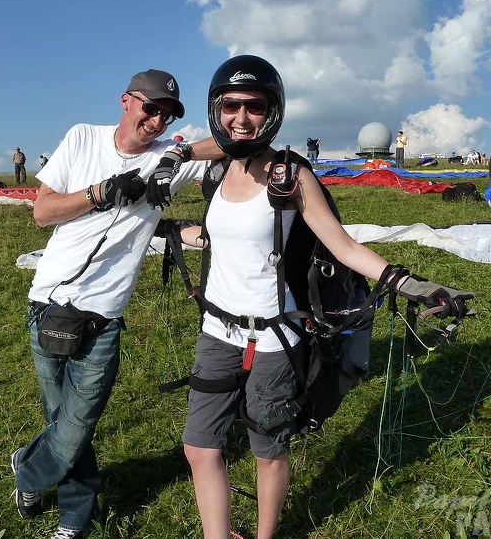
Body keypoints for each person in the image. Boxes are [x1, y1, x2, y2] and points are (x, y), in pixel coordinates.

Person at [148, 55, 473, 539]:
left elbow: (343, 246)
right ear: (217, 109)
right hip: (217, 329)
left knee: (267, 448)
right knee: (199, 446)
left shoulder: (291, 176)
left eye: (253, 106)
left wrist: (414, 285)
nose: (241, 117)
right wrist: (170, 186)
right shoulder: (215, 171)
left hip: (275, 336)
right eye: (230, 105)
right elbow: (221, 231)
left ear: (272, 111)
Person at [11, 68, 220, 539]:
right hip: (48, 300)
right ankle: (74, 518)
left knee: (78, 421)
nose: (157, 120)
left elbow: (229, 142)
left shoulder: (167, 158)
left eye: (167, 114)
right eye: (151, 108)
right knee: (60, 416)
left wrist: (181, 153)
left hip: (104, 315)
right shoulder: (83, 138)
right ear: (126, 101)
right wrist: (101, 192)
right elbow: (42, 213)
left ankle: (28, 469)